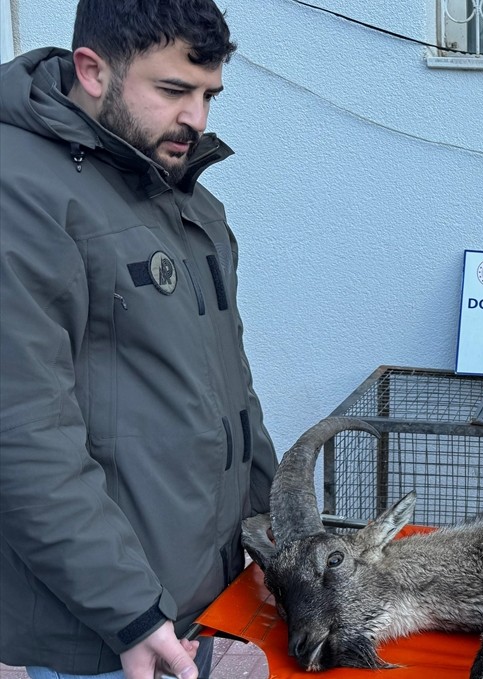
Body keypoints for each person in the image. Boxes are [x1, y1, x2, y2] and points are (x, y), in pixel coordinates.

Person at [0, 2, 277, 678]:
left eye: (208, 94)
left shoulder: (179, 193)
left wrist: (273, 534)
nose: (198, 119)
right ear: (92, 70)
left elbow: (229, 388)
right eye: (173, 91)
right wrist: (127, 608)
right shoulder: (20, 192)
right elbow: (23, 429)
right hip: (106, 629)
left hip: (195, 600)